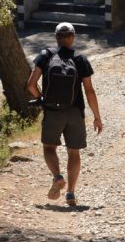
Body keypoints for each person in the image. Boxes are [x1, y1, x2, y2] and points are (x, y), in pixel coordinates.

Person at [26, 22, 104, 207]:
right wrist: (97, 116)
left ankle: (57, 177)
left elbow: (30, 84)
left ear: (56, 37)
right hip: (75, 111)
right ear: (73, 37)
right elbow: (90, 90)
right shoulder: (80, 59)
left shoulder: (46, 55)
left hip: (53, 111)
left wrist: (41, 98)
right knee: (73, 152)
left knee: (49, 147)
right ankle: (70, 193)